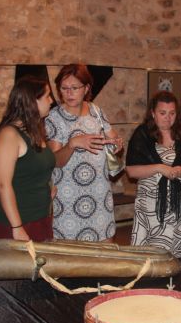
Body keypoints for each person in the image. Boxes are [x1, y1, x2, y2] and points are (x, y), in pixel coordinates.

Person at [45, 64, 123, 242]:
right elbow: (55, 161)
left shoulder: (96, 111)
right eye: (64, 88)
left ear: (86, 88)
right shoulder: (54, 117)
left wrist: (117, 143)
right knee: (73, 261)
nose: (69, 93)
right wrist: (72, 144)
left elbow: (113, 138)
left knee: (105, 255)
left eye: (74, 88)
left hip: (99, 195)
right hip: (70, 199)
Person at [126, 91, 181, 265]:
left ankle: (173, 288)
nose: (168, 118)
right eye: (162, 113)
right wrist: (159, 168)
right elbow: (131, 171)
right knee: (149, 260)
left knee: (177, 259)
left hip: (180, 207)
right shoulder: (142, 134)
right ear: (152, 113)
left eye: (172, 113)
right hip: (151, 211)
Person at [0, 77, 55, 245]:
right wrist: (17, 226)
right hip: (13, 221)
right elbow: (2, 184)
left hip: (38, 217)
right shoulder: (9, 134)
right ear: (32, 101)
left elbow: (35, 169)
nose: (51, 101)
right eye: (48, 96)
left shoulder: (34, 130)